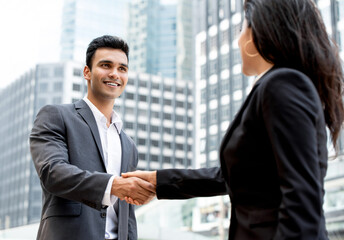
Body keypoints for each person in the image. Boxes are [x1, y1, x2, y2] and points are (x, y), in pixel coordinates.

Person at [123, 0, 344, 239]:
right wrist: (158, 181)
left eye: (241, 29)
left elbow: (302, 200)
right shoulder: (278, 86)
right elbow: (237, 175)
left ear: (256, 33)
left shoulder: (282, 85)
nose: (238, 40)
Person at [30, 35, 155, 240]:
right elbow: (52, 173)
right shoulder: (56, 116)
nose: (115, 74)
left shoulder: (128, 144)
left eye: (122, 68)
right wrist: (113, 185)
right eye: (106, 65)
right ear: (87, 72)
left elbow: (126, 215)